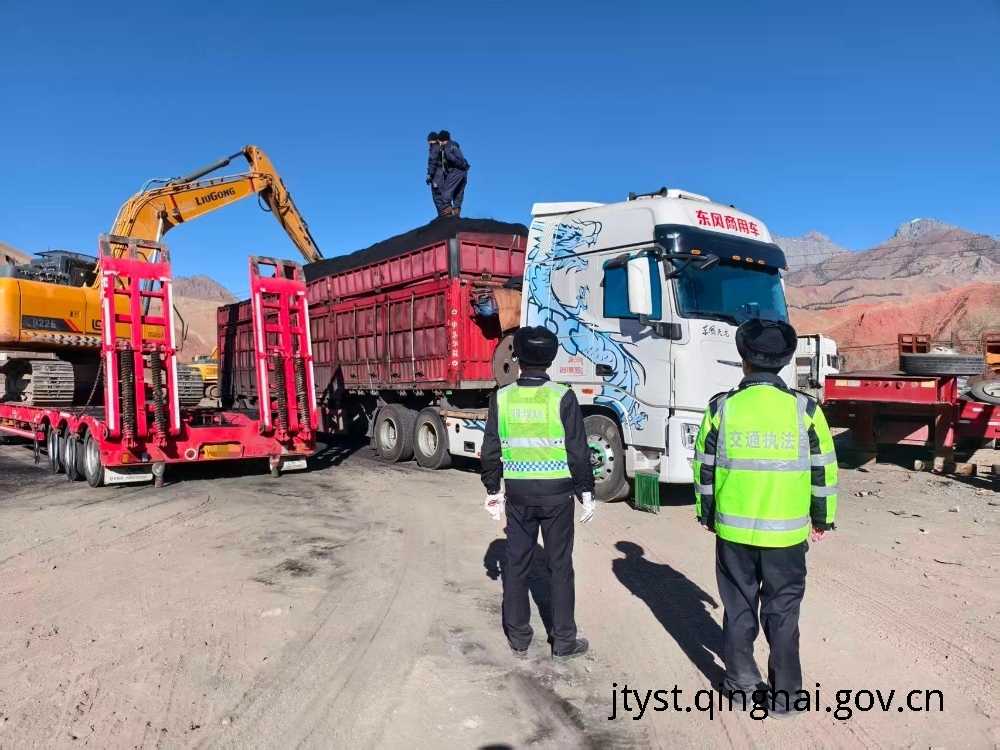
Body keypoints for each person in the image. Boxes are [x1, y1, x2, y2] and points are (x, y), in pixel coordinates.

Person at [692, 318, 837, 718]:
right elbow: (824, 471)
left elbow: (704, 468)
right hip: (786, 537)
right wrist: (822, 519)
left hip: (733, 534)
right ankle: (785, 698)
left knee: (738, 608)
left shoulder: (721, 408)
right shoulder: (806, 410)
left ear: (745, 360)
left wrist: (707, 513)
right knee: (783, 613)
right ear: (786, 362)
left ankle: (741, 685)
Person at [481, 326, 595, 662]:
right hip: (557, 495)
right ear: (551, 358)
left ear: (517, 357)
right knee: (560, 567)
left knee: (517, 565)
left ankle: (518, 639)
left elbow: (491, 448)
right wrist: (586, 490)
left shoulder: (502, 397)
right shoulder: (562, 396)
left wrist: (492, 488)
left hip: (518, 494)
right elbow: (578, 451)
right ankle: (564, 642)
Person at [436, 130, 469, 217]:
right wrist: (464, 166)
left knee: (446, 191)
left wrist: (460, 165)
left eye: (439, 140)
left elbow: (451, 158)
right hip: (464, 173)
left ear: (443, 140)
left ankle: (447, 211)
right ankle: (457, 211)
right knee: (458, 193)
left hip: (455, 171)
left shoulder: (447, 147)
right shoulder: (455, 146)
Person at [425, 132, 448, 217]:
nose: (429, 142)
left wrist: (429, 174)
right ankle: (448, 214)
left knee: (437, 196)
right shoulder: (442, 147)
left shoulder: (435, 148)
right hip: (444, 174)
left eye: (431, 140)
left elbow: (433, 162)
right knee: (444, 195)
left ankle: (444, 216)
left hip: (437, 174)